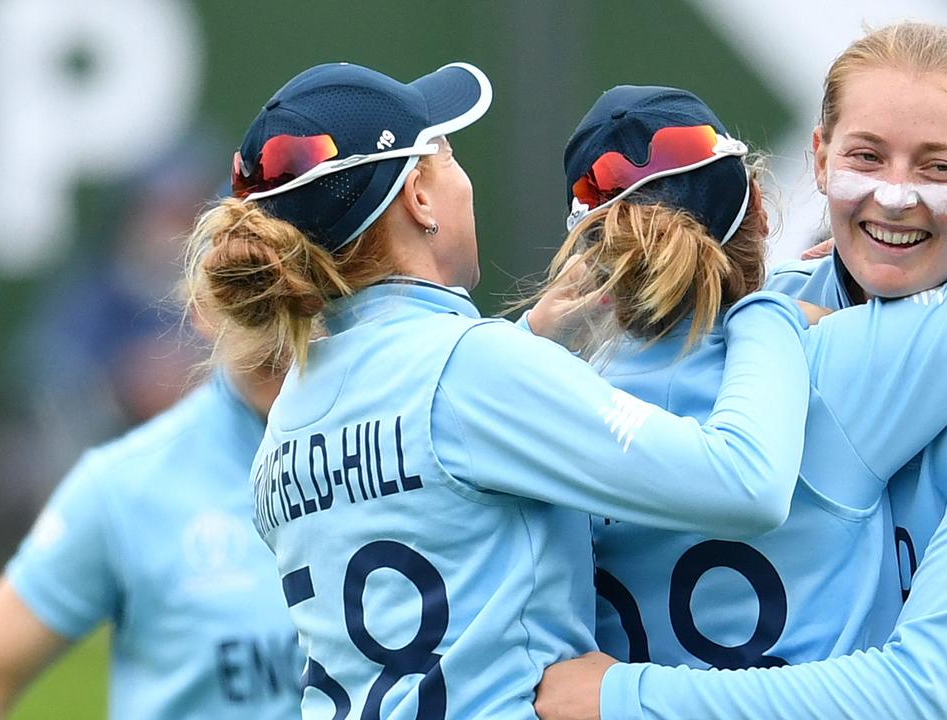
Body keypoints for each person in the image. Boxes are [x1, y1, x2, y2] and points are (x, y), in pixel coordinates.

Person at [533, 22, 947, 720]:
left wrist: (619, 694)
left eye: (939, 168)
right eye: (867, 157)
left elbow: (933, 696)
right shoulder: (784, 304)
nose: (894, 196)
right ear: (819, 159)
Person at [185, 61, 817, 720]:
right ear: (419, 200)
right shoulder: (471, 369)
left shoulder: (286, 417)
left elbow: (426, 467)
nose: (464, 180)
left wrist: (526, 343)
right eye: (448, 156)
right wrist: (766, 313)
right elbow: (745, 481)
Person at [0, 353, 301, 718]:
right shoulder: (125, 484)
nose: (287, 317)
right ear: (206, 307)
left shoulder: (384, 449)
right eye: (257, 305)